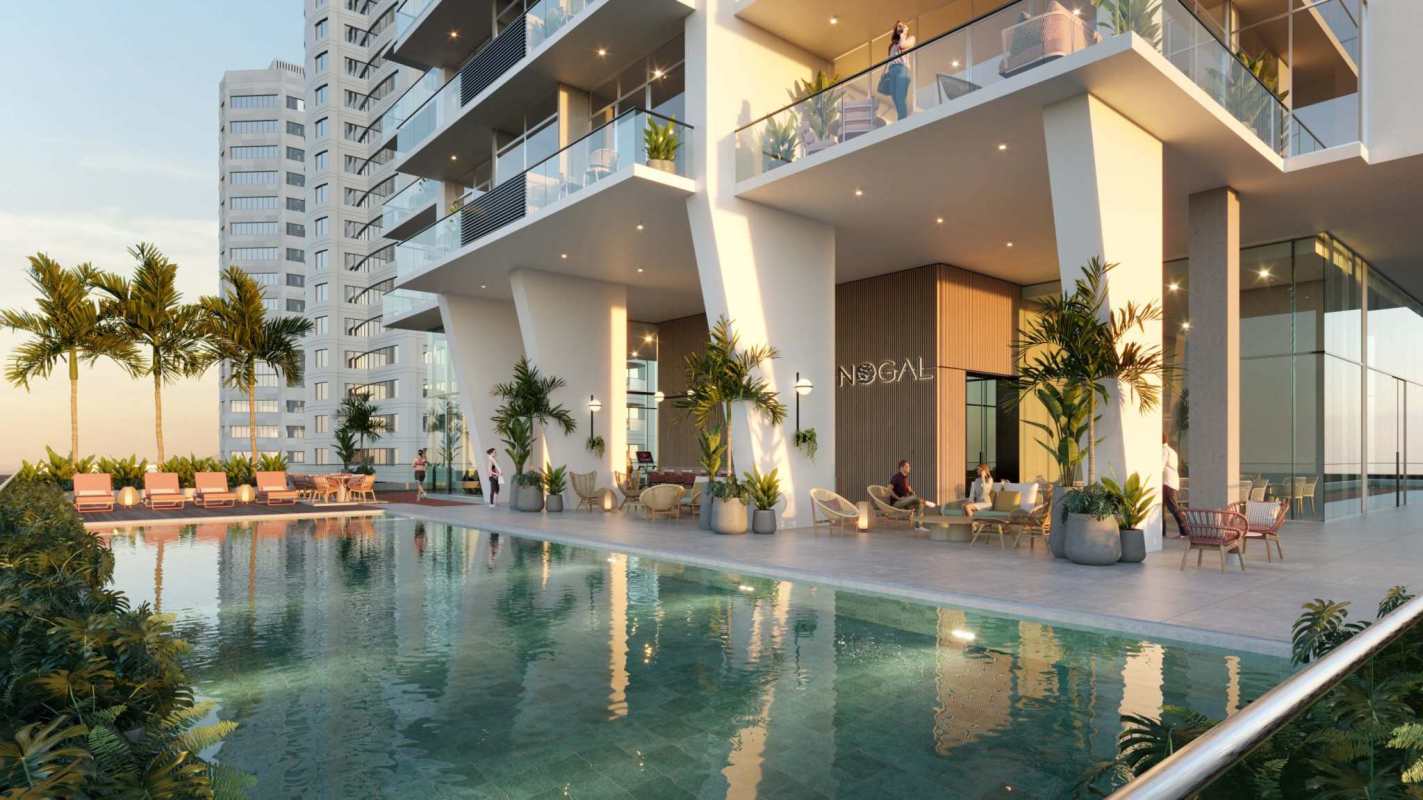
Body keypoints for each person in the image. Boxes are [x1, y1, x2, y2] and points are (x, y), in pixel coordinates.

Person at [889, 459, 933, 531]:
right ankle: (925, 502)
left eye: (909, 466)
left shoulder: (905, 478)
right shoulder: (896, 477)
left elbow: (908, 491)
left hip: (906, 502)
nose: (909, 468)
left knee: (920, 505)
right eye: (907, 466)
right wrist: (898, 498)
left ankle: (918, 526)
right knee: (915, 498)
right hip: (897, 503)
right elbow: (889, 490)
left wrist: (911, 491)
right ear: (902, 468)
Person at [884, 20, 915, 120]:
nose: (899, 28)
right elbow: (889, 60)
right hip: (892, 70)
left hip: (902, 69)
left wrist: (904, 33)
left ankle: (902, 120)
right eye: (898, 26)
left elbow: (903, 46)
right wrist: (885, 73)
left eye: (902, 26)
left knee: (900, 97)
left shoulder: (910, 38)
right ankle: (901, 118)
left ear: (906, 27)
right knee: (894, 97)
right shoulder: (892, 45)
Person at [1163, 437, 1188, 536]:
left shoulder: (1163, 450)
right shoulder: (1171, 451)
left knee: (1172, 507)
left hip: (1167, 482)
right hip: (1171, 482)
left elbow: (1160, 465)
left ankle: (1184, 531)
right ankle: (1162, 532)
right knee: (1165, 507)